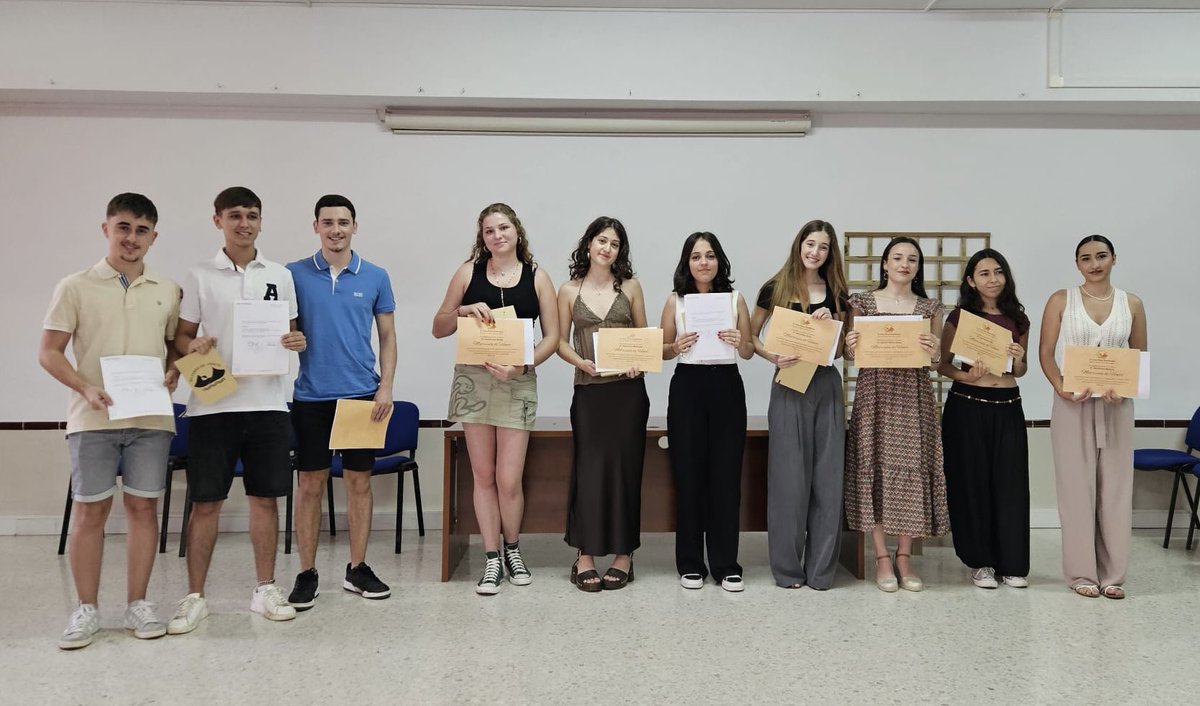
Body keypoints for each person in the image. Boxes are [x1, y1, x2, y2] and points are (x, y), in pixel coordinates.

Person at [40, 193, 181, 649]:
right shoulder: (75, 286)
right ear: (106, 229)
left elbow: (175, 348)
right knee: (90, 511)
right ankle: (86, 609)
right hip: (92, 418)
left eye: (141, 230)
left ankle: (138, 603)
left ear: (153, 237)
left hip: (151, 419)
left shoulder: (168, 289)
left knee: (143, 509)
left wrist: (177, 369)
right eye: (123, 227)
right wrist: (84, 388)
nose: (131, 238)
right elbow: (49, 352)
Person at [168, 186, 307, 632]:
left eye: (251, 215)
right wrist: (196, 346)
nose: (243, 223)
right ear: (218, 221)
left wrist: (296, 341)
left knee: (265, 500)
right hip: (212, 406)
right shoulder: (200, 274)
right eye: (234, 216)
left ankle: (265, 588)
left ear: (261, 221)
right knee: (206, 502)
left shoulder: (280, 275)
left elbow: (291, 331)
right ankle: (195, 597)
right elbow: (181, 340)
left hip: (268, 404)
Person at [432, 203, 560, 595]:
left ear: (516, 232)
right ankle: (491, 559)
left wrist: (522, 366)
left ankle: (512, 549)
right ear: (482, 237)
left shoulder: (537, 277)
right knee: (483, 476)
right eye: (489, 230)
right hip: (473, 381)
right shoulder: (467, 271)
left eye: (503, 228)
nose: (497, 235)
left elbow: (553, 337)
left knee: (509, 478)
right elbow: (439, 327)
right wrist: (463, 309)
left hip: (517, 381)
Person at [286, 194, 397, 609]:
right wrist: (288, 338)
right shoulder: (293, 274)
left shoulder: (375, 276)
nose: (336, 230)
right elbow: (281, 330)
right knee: (310, 484)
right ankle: (307, 572)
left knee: (358, 482)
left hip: (361, 396)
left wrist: (385, 386)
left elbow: (387, 337)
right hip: (311, 395)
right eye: (328, 222)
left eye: (343, 222)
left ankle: (358, 568)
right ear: (315, 226)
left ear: (355, 226)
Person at [1038, 235, 1147, 599]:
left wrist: (1125, 387)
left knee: (1116, 490)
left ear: (1114, 258)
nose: (1094, 263)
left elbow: (1138, 357)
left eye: (1101, 256)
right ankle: (1082, 574)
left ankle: (1113, 575)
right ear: (1077, 264)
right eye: (1086, 258)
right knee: (1075, 490)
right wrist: (1061, 388)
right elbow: (1046, 353)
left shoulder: (1131, 303)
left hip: (1117, 407)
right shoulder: (1060, 300)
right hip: (1072, 405)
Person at [750, 220, 849, 591]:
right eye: (811, 244)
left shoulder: (837, 291)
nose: (815, 253)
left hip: (824, 384)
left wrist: (831, 324)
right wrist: (772, 355)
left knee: (827, 478)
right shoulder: (775, 287)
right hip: (789, 383)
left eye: (823, 247)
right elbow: (751, 338)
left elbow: (840, 350)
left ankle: (821, 570)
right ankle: (788, 570)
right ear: (799, 246)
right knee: (789, 480)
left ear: (829, 253)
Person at [844, 236, 946, 592]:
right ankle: (881, 557)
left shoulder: (930, 308)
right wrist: (850, 345)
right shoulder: (862, 302)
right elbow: (850, 357)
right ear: (884, 264)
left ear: (918, 267)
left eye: (912, 260)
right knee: (872, 467)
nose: (905, 264)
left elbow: (936, 362)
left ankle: (904, 555)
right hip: (875, 394)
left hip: (913, 395)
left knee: (911, 470)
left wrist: (935, 349)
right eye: (897, 258)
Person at [556, 216, 650, 592]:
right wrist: (579, 361)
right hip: (589, 391)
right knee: (588, 471)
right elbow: (559, 340)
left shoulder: (631, 287)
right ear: (589, 244)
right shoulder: (568, 290)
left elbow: (644, 338)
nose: (607, 248)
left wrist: (637, 361)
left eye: (614, 243)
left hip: (628, 393)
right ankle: (585, 554)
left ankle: (624, 554)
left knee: (626, 471)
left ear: (619, 251)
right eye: (601, 241)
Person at [661, 232, 754, 592]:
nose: (704, 262)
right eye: (696, 256)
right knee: (688, 477)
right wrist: (675, 345)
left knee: (726, 476)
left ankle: (726, 564)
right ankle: (690, 563)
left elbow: (747, 350)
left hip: (727, 386)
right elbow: (662, 350)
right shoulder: (675, 301)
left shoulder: (735, 299)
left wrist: (739, 341)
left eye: (710, 255)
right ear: (687, 262)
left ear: (720, 261)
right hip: (688, 387)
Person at [938, 249, 1031, 590]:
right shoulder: (960, 318)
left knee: (1010, 484)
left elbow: (1021, 370)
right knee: (971, 483)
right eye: (984, 274)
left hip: (1007, 403)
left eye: (998, 272)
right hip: (968, 404)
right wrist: (964, 376)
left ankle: (1013, 563)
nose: (993, 279)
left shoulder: (1017, 318)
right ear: (971, 281)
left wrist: (1019, 359)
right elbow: (943, 365)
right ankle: (980, 563)